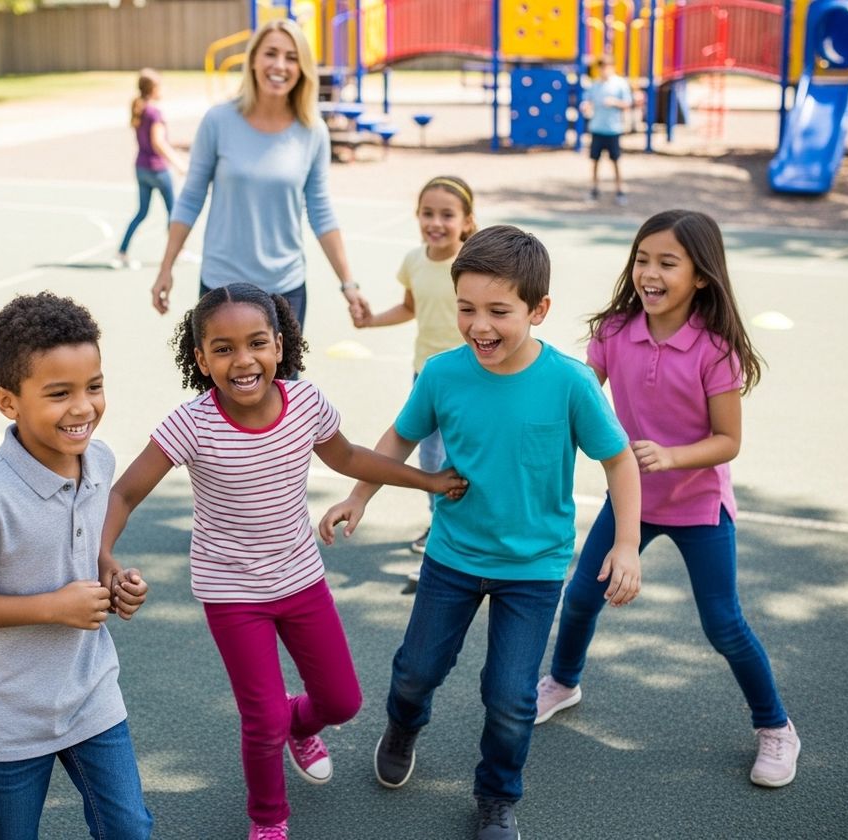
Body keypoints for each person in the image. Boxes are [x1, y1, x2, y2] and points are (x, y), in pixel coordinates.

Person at [101, 283, 467, 840]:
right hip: (232, 593)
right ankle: (268, 819)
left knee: (342, 702)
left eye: (256, 343)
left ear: (279, 344)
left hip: (300, 579)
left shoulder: (306, 403)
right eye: (223, 349)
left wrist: (428, 481)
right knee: (262, 719)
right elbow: (124, 493)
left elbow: (348, 456)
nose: (242, 360)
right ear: (201, 358)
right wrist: (103, 553)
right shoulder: (191, 424)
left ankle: (299, 723)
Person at [319, 226, 642, 840]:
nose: (479, 325)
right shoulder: (443, 373)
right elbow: (400, 437)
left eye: (498, 311)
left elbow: (619, 461)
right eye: (466, 308)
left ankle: (496, 795)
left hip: (534, 568)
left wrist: (626, 543)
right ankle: (404, 726)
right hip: (453, 556)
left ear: (538, 310)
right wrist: (359, 496)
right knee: (416, 671)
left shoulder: (570, 383)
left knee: (511, 697)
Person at [534, 209, 800, 787]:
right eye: (642, 259)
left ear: (700, 275)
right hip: (631, 499)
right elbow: (581, 395)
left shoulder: (716, 350)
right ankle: (563, 682)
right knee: (580, 598)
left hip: (699, 508)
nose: (649, 273)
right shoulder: (614, 331)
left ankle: (776, 727)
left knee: (723, 624)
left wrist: (671, 456)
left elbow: (728, 441)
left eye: (667, 263)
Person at [0, 292, 152, 840]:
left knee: (130, 829)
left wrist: (112, 574)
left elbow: (87, 551)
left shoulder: (99, 460)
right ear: (8, 402)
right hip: (7, 713)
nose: (83, 407)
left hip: (91, 691)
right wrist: (53, 607)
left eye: (94, 386)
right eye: (59, 393)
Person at [150, 19, 370, 331]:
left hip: (286, 290)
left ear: (302, 68)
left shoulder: (313, 131)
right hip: (221, 288)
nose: (280, 65)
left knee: (284, 367)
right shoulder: (218, 120)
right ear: (253, 60)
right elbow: (190, 198)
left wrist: (349, 284)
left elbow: (321, 212)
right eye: (271, 53)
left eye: (291, 57)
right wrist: (166, 268)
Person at [353, 175, 477, 572]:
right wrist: (371, 321)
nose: (435, 223)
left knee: (465, 455)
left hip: (471, 379)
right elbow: (410, 307)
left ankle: (466, 528)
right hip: (425, 376)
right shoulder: (413, 261)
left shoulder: (473, 265)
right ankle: (439, 520)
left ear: (467, 221)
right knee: (429, 456)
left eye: (447, 215)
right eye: (427, 213)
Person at [114, 68, 188, 270]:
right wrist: (179, 163)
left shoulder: (140, 110)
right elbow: (158, 143)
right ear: (153, 88)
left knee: (141, 212)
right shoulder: (155, 113)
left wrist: (179, 145)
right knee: (173, 213)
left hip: (141, 168)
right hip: (157, 170)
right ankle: (178, 252)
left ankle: (122, 252)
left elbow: (155, 141)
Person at [581, 54, 633, 205]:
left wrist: (615, 102)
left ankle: (619, 190)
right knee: (595, 161)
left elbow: (627, 103)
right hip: (597, 128)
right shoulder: (595, 85)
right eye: (602, 68)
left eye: (607, 67)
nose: (604, 70)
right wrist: (586, 106)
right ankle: (594, 189)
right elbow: (587, 100)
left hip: (613, 129)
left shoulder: (620, 84)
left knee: (615, 161)